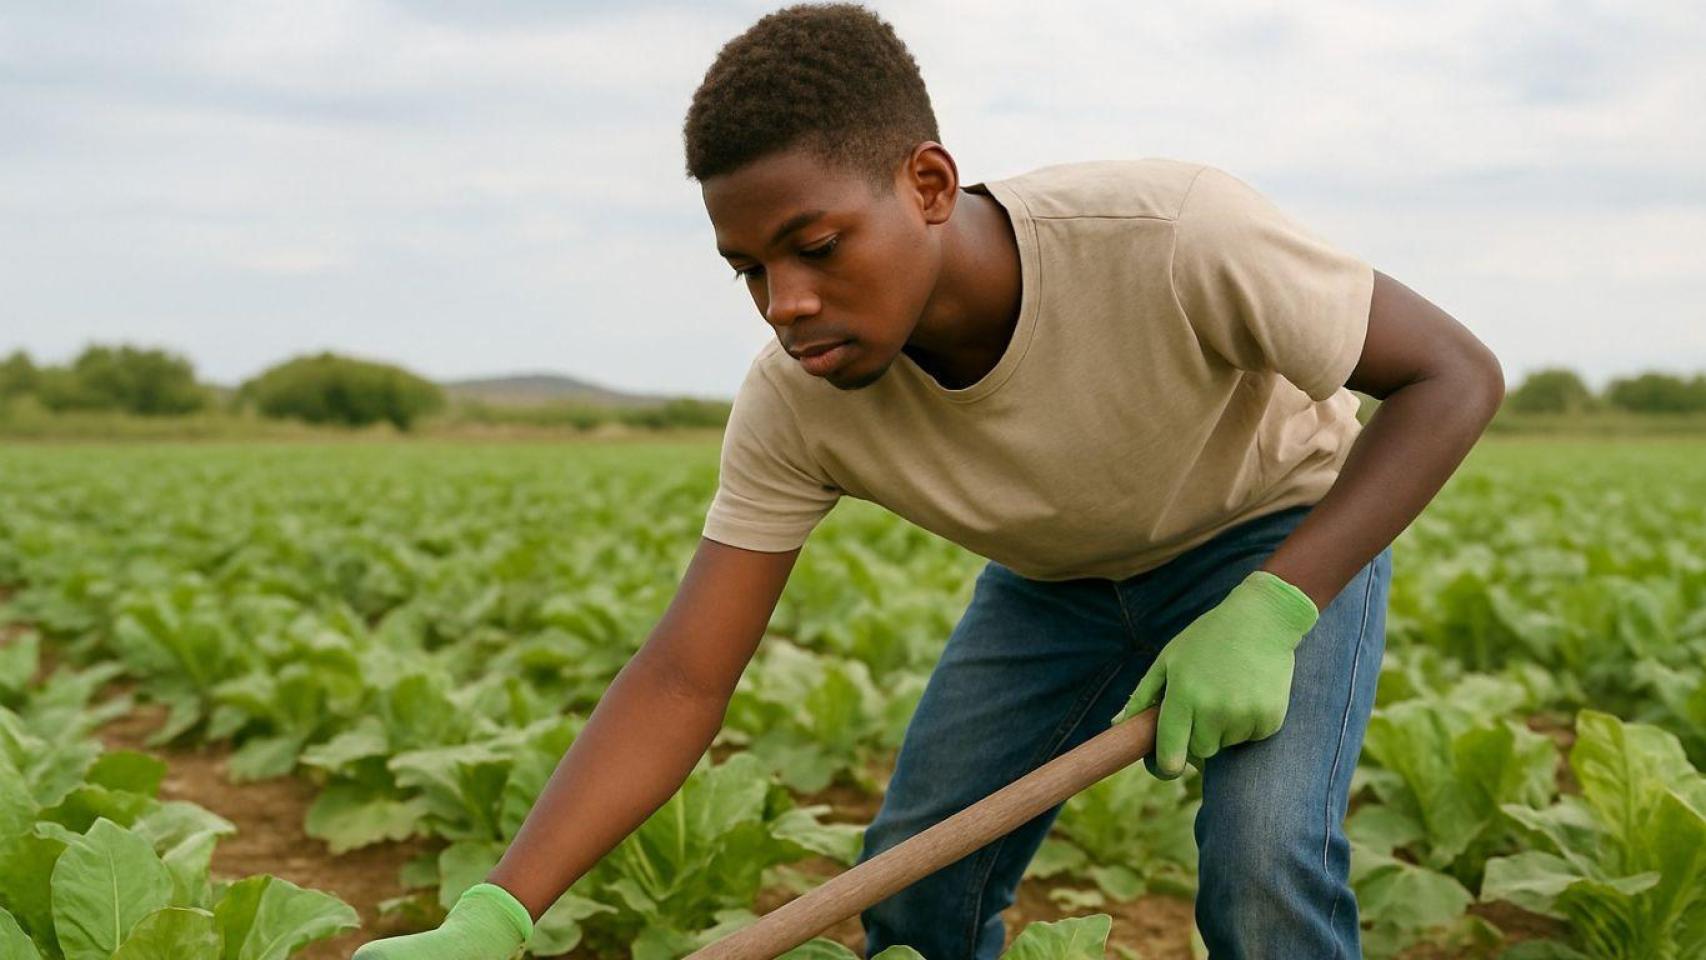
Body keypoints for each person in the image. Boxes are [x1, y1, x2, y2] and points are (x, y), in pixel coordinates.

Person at [351, 3, 1504, 959]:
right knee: (909, 902)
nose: (783, 302)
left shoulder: (1167, 232)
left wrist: (1273, 604)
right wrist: (498, 911)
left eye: (815, 246)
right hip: (1053, 586)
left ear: (929, 183)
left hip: (1273, 541)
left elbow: (1450, 375)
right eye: (746, 268)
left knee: (1261, 868)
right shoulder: (795, 397)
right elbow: (680, 678)